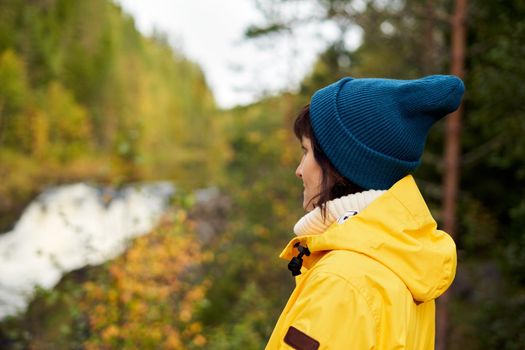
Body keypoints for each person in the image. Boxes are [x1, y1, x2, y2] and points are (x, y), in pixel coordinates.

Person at [265, 75, 465, 349]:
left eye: (307, 152)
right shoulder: (402, 262)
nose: (299, 170)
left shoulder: (342, 282)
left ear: (340, 164)